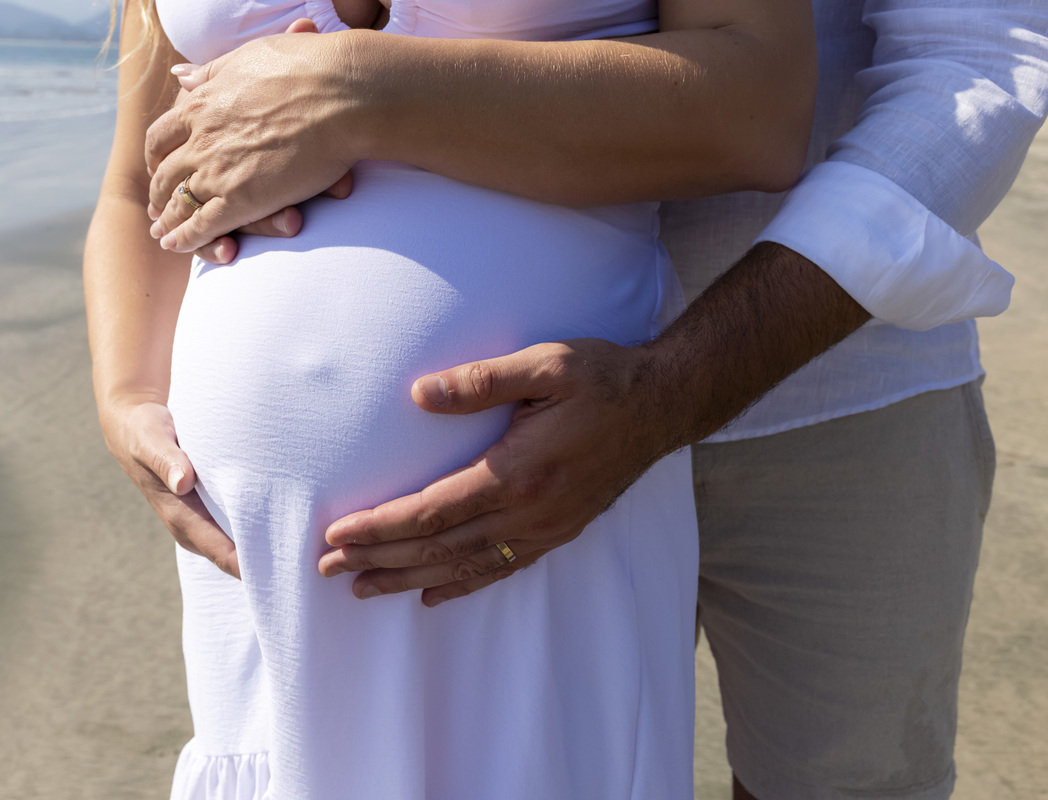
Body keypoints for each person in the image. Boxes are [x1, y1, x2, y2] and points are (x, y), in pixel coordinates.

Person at [127, 1, 1048, 799]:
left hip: (832, 384)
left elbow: (979, 56)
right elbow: (143, 154)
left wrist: (677, 388)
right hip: (427, 483)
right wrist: (128, 391)